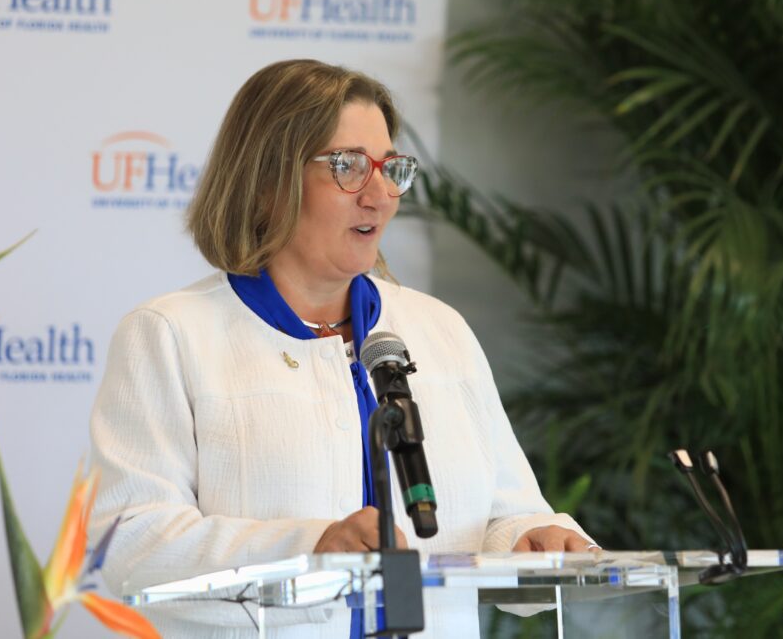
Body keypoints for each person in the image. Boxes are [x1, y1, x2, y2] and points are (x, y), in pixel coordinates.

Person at [89, 59, 593, 639]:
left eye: (390, 168)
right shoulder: (170, 334)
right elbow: (129, 542)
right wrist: (311, 549)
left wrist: (534, 541)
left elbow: (507, 516)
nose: (380, 195)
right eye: (348, 166)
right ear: (268, 181)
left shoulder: (441, 330)